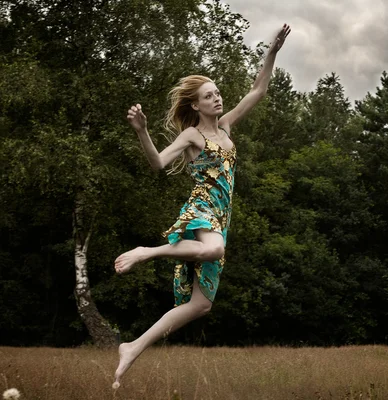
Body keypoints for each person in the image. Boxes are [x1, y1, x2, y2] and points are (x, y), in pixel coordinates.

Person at [112, 23, 291, 387]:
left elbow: (258, 89)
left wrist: (272, 51)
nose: (217, 99)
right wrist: (142, 131)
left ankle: (132, 347)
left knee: (201, 305)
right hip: (201, 210)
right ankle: (148, 251)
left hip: (220, 217)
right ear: (195, 104)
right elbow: (159, 164)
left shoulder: (225, 128)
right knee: (215, 249)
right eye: (209, 96)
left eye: (218, 93)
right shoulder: (191, 135)